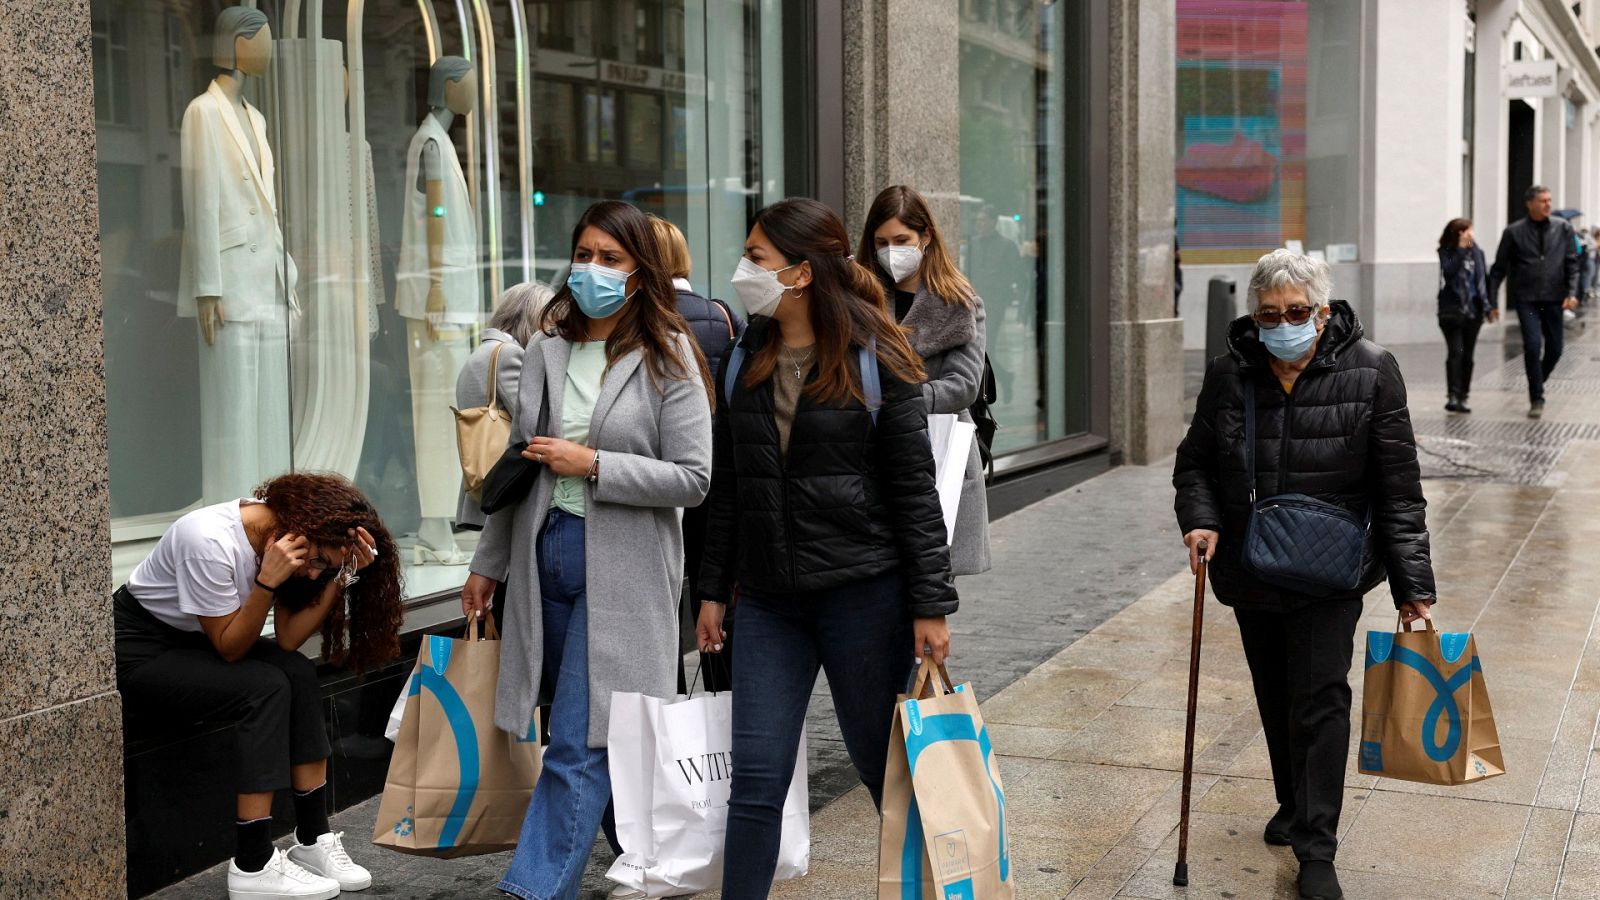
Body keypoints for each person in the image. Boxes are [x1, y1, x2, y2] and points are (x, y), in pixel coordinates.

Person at [698, 197, 957, 898]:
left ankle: (937, 888)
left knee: (886, 772)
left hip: (863, 597)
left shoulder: (879, 359)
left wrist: (931, 605)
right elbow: (730, 485)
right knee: (754, 780)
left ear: (802, 273)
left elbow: (915, 493)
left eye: (756, 258)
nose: (743, 270)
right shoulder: (745, 352)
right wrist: (713, 588)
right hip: (770, 603)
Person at [459, 200, 714, 900]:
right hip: (546, 560)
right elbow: (519, 465)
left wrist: (595, 464)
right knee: (583, 736)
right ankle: (639, 852)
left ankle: (535, 890)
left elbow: (693, 479)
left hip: (626, 571)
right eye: (584, 254)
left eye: (610, 258)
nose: (591, 269)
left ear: (640, 273)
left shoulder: (668, 355)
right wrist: (489, 563)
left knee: (581, 740)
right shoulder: (546, 349)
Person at [1173, 250, 1436, 900]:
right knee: (1277, 698)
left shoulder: (1372, 372)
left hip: (1333, 571)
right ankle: (1293, 804)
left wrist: (1414, 592)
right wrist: (1201, 520)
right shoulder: (1229, 376)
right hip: (1252, 565)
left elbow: (1399, 492)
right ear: (1255, 317)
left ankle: (1316, 846)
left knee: (1320, 702)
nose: (1284, 324)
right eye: (1270, 314)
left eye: (1297, 312)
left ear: (1322, 312)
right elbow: (1194, 464)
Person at [115, 473, 402, 900]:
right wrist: (267, 581)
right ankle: (252, 865)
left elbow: (287, 639)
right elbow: (230, 649)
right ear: (301, 528)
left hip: (198, 640)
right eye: (319, 559)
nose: (312, 571)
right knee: (263, 686)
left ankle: (313, 838)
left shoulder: (287, 536)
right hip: (140, 649)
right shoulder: (207, 540)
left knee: (299, 672)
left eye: (323, 565)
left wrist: (341, 577)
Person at [858, 184, 991, 575]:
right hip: (867, 450)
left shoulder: (959, 301)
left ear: (926, 236)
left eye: (902, 240)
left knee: (930, 579)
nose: (890, 251)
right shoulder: (860, 298)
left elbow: (964, 385)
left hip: (935, 449)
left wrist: (895, 399)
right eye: (881, 242)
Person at [649, 213, 744, 692]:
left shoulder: (642, 323)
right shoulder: (723, 315)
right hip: (716, 476)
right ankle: (721, 699)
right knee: (713, 591)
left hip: (657, 479)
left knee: (660, 598)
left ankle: (663, 703)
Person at [455, 281, 555, 531]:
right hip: (508, 479)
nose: (552, 331)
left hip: (487, 475)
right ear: (533, 318)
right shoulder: (509, 355)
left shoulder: (483, 353)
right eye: (550, 322)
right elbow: (532, 421)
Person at [1488, 185, 1580, 418]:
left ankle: (1537, 380)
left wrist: (1571, 292)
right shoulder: (1513, 232)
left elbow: (1571, 263)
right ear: (1530, 204)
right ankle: (1536, 396)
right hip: (1526, 298)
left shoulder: (1563, 228)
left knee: (1556, 349)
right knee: (1531, 345)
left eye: (1550, 200)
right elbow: (1499, 269)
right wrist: (1492, 302)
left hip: (1554, 297)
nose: (1548, 205)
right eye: (1543, 201)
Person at [1435, 218, 1495, 414]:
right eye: (1468, 230)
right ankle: (1452, 395)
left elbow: (1483, 281)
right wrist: (1460, 249)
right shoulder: (1446, 252)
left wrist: (1490, 306)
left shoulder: (1478, 253)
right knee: (1456, 352)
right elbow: (1450, 272)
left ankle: (1464, 396)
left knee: (1468, 355)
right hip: (1452, 310)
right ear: (1458, 233)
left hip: (1474, 311)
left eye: (1471, 230)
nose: (1471, 234)